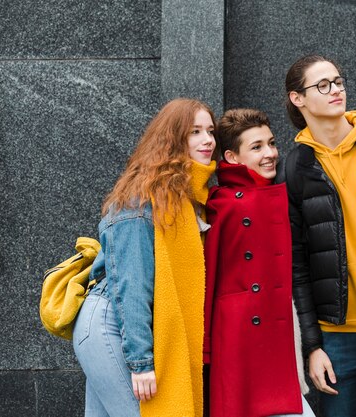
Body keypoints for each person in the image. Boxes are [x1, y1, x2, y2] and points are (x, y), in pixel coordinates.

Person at [72, 98, 217, 417]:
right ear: (172, 138)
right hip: (112, 323)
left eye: (210, 130)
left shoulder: (188, 199)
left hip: (126, 325)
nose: (208, 140)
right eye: (195, 132)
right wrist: (141, 363)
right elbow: (131, 284)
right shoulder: (141, 199)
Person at [279, 54, 356, 417]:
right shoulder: (294, 169)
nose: (336, 90)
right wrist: (312, 347)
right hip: (338, 335)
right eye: (323, 85)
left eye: (338, 81)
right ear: (297, 99)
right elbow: (296, 268)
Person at [202, 108, 314, 417]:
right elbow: (208, 280)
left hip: (267, 340)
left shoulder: (261, 197)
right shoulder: (226, 205)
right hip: (241, 344)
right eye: (257, 147)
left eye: (272, 143)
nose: (271, 153)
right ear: (232, 158)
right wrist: (206, 348)